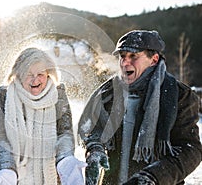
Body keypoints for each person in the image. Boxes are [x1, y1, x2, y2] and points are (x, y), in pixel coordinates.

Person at [78, 30, 202, 185]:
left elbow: (191, 150)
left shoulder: (179, 95)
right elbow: (93, 129)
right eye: (122, 56)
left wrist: (153, 177)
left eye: (133, 56)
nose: (125, 62)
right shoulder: (108, 93)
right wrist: (94, 150)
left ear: (154, 59)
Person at [0, 47, 87, 185]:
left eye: (40, 74)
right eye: (28, 74)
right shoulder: (5, 98)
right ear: (18, 74)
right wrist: (7, 169)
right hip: (14, 178)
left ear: (49, 74)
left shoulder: (58, 97)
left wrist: (65, 160)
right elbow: (0, 138)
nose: (35, 79)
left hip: (51, 177)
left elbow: (64, 133)